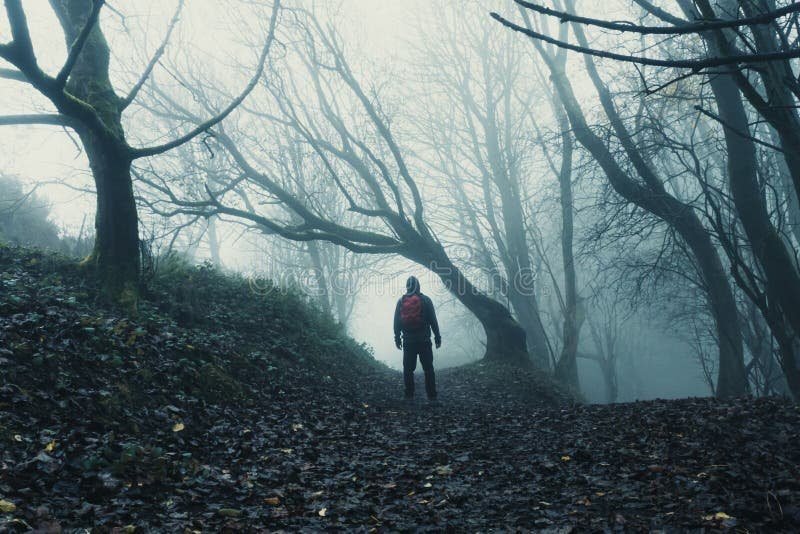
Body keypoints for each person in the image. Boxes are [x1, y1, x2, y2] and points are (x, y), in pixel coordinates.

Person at [393, 275, 441, 401]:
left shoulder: (401, 301)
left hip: (408, 341)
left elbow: (396, 322)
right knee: (428, 368)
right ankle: (432, 396)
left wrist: (397, 338)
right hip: (424, 340)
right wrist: (437, 336)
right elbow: (433, 320)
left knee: (408, 369)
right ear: (418, 286)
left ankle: (409, 395)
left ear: (407, 286)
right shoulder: (426, 300)